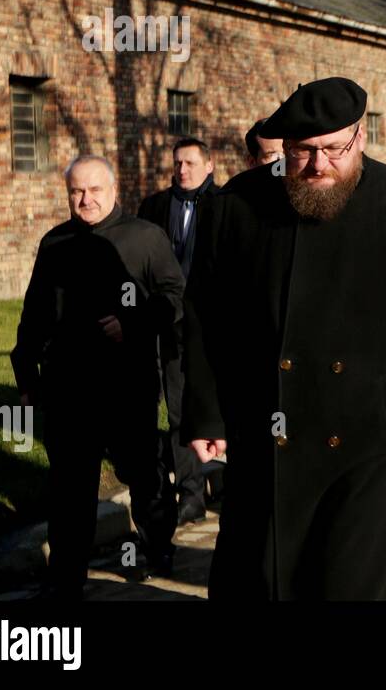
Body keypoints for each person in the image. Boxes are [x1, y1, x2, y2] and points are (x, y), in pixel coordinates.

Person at [182, 77, 386, 600]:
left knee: (347, 582)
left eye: (335, 149)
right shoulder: (237, 205)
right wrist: (204, 413)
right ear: (283, 148)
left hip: (368, 435)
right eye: (303, 152)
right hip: (265, 427)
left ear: (359, 137)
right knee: (259, 579)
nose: (319, 165)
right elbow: (203, 316)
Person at [12, 156, 185, 599]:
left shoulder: (145, 237)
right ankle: (67, 577)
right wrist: (25, 370)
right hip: (67, 387)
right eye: (76, 192)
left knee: (142, 474)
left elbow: (173, 296)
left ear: (113, 191)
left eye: (94, 191)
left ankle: (157, 545)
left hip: (127, 386)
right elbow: (34, 311)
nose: (85, 200)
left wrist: (133, 322)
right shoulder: (55, 242)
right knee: (70, 487)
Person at [138, 138, 218, 524]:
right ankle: (190, 492)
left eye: (189, 162)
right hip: (167, 323)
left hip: (211, 324)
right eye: (177, 163)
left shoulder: (224, 205)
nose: (182, 170)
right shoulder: (154, 207)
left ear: (209, 165)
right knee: (177, 408)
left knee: (218, 405)